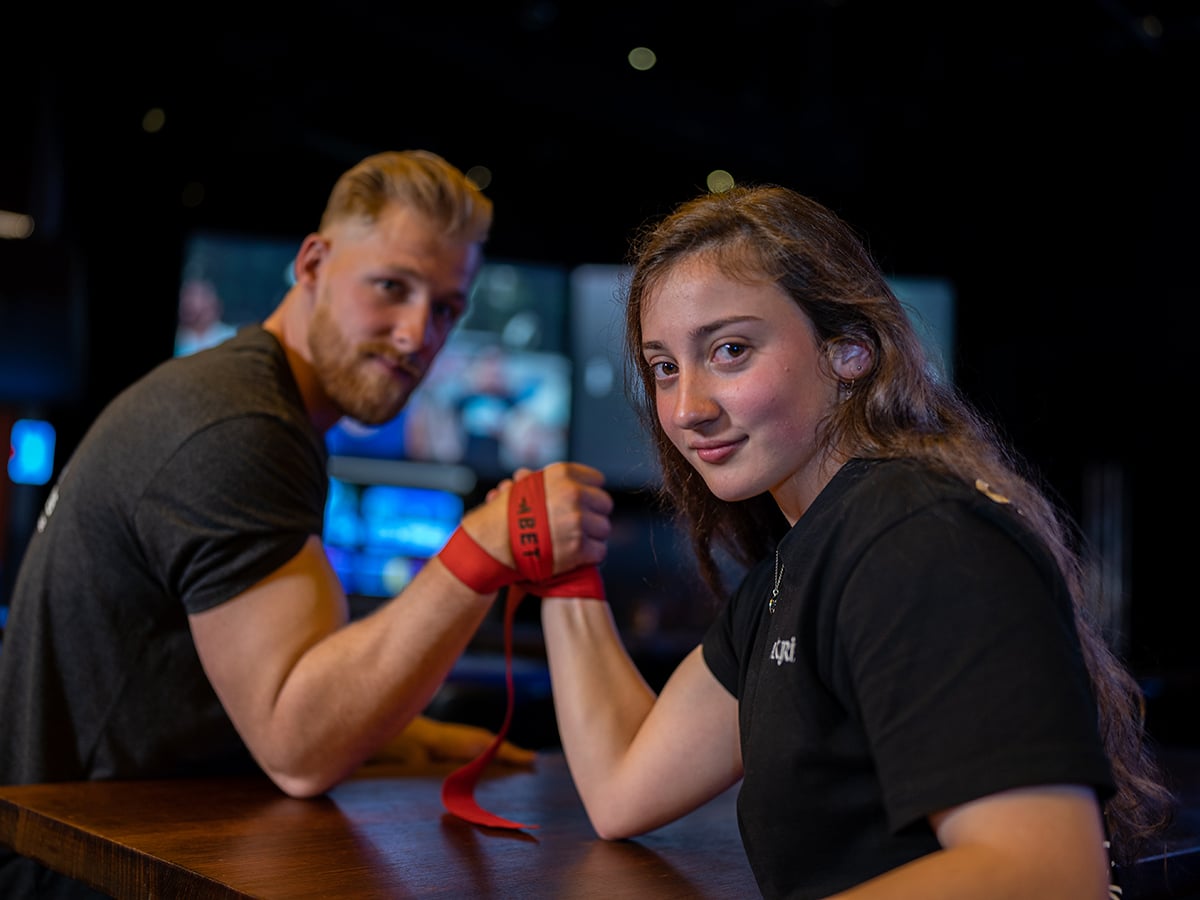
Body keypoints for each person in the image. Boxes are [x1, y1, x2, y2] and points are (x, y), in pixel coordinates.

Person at [0, 150, 613, 896]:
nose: (418, 334)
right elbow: (299, 747)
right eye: (391, 287)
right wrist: (486, 543)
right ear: (313, 263)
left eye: (447, 307)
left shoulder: (252, 403)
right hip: (89, 877)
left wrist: (415, 739)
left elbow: (226, 695)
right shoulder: (237, 425)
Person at [537, 184, 1173, 898]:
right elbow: (624, 784)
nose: (687, 408)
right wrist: (559, 568)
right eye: (664, 367)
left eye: (731, 350)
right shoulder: (805, 561)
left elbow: (1048, 874)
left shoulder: (918, 536)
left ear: (849, 353)